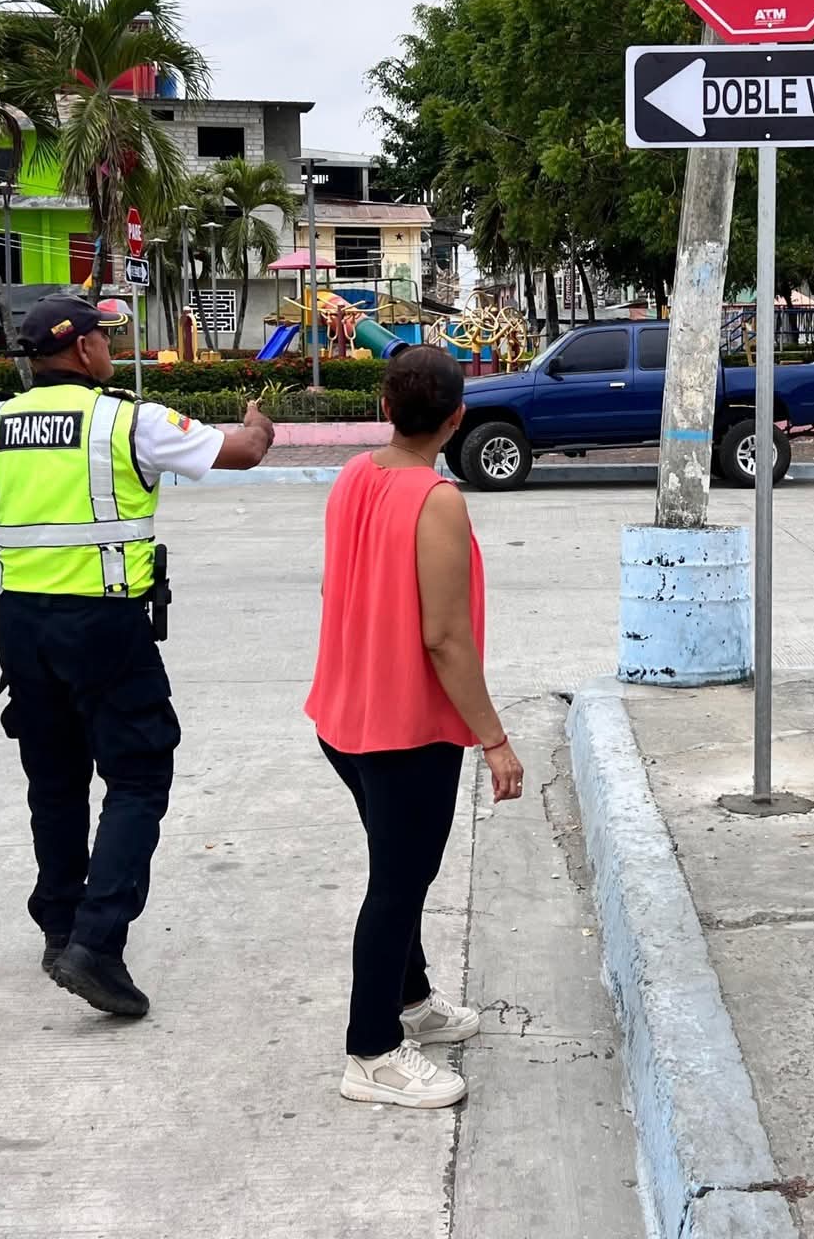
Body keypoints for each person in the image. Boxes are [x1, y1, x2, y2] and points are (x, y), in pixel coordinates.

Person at [0, 296, 275, 1018]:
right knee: (139, 775)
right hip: (105, 625)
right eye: (104, 339)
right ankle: (96, 942)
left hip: (22, 626)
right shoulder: (125, 420)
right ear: (82, 349)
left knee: (54, 782)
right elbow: (241, 452)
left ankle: (59, 929)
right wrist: (258, 422)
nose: (111, 349)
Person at [307, 345, 525, 1110]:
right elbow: (445, 638)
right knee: (398, 886)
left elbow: (339, 584)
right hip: (404, 729)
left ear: (385, 408)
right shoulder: (437, 500)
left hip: (345, 714)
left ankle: (412, 1000)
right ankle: (371, 1052)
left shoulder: (354, 474)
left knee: (399, 868)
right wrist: (494, 738)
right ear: (457, 417)